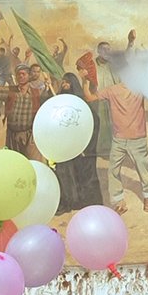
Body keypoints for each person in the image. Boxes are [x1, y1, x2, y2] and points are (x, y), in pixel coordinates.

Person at [84, 74, 148, 214]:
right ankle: (122, 201)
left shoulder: (135, 89)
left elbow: (89, 97)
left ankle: (145, 198)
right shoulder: (116, 90)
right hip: (120, 139)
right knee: (118, 170)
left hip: (136, 139)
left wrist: (85, 81)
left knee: (139, 169)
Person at [55, 71, 103, 211]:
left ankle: (87, 203)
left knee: (86, 175)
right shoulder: (59, 103)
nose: (65, 85)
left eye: (68, 82)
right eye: (63, 82)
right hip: (65, 147)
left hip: (83, 149)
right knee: (65, 174)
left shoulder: (82, 105)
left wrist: (86, 145)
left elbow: (93, 122)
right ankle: (68, 202)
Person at [3, 63, 43, 156]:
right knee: (14, 162)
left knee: (31, 161)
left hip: (29, 135)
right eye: (18, 74)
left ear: (29, 76)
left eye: (23, 74)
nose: (21, 76)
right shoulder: (11, 92)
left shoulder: (37, 93)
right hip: (12, 136)